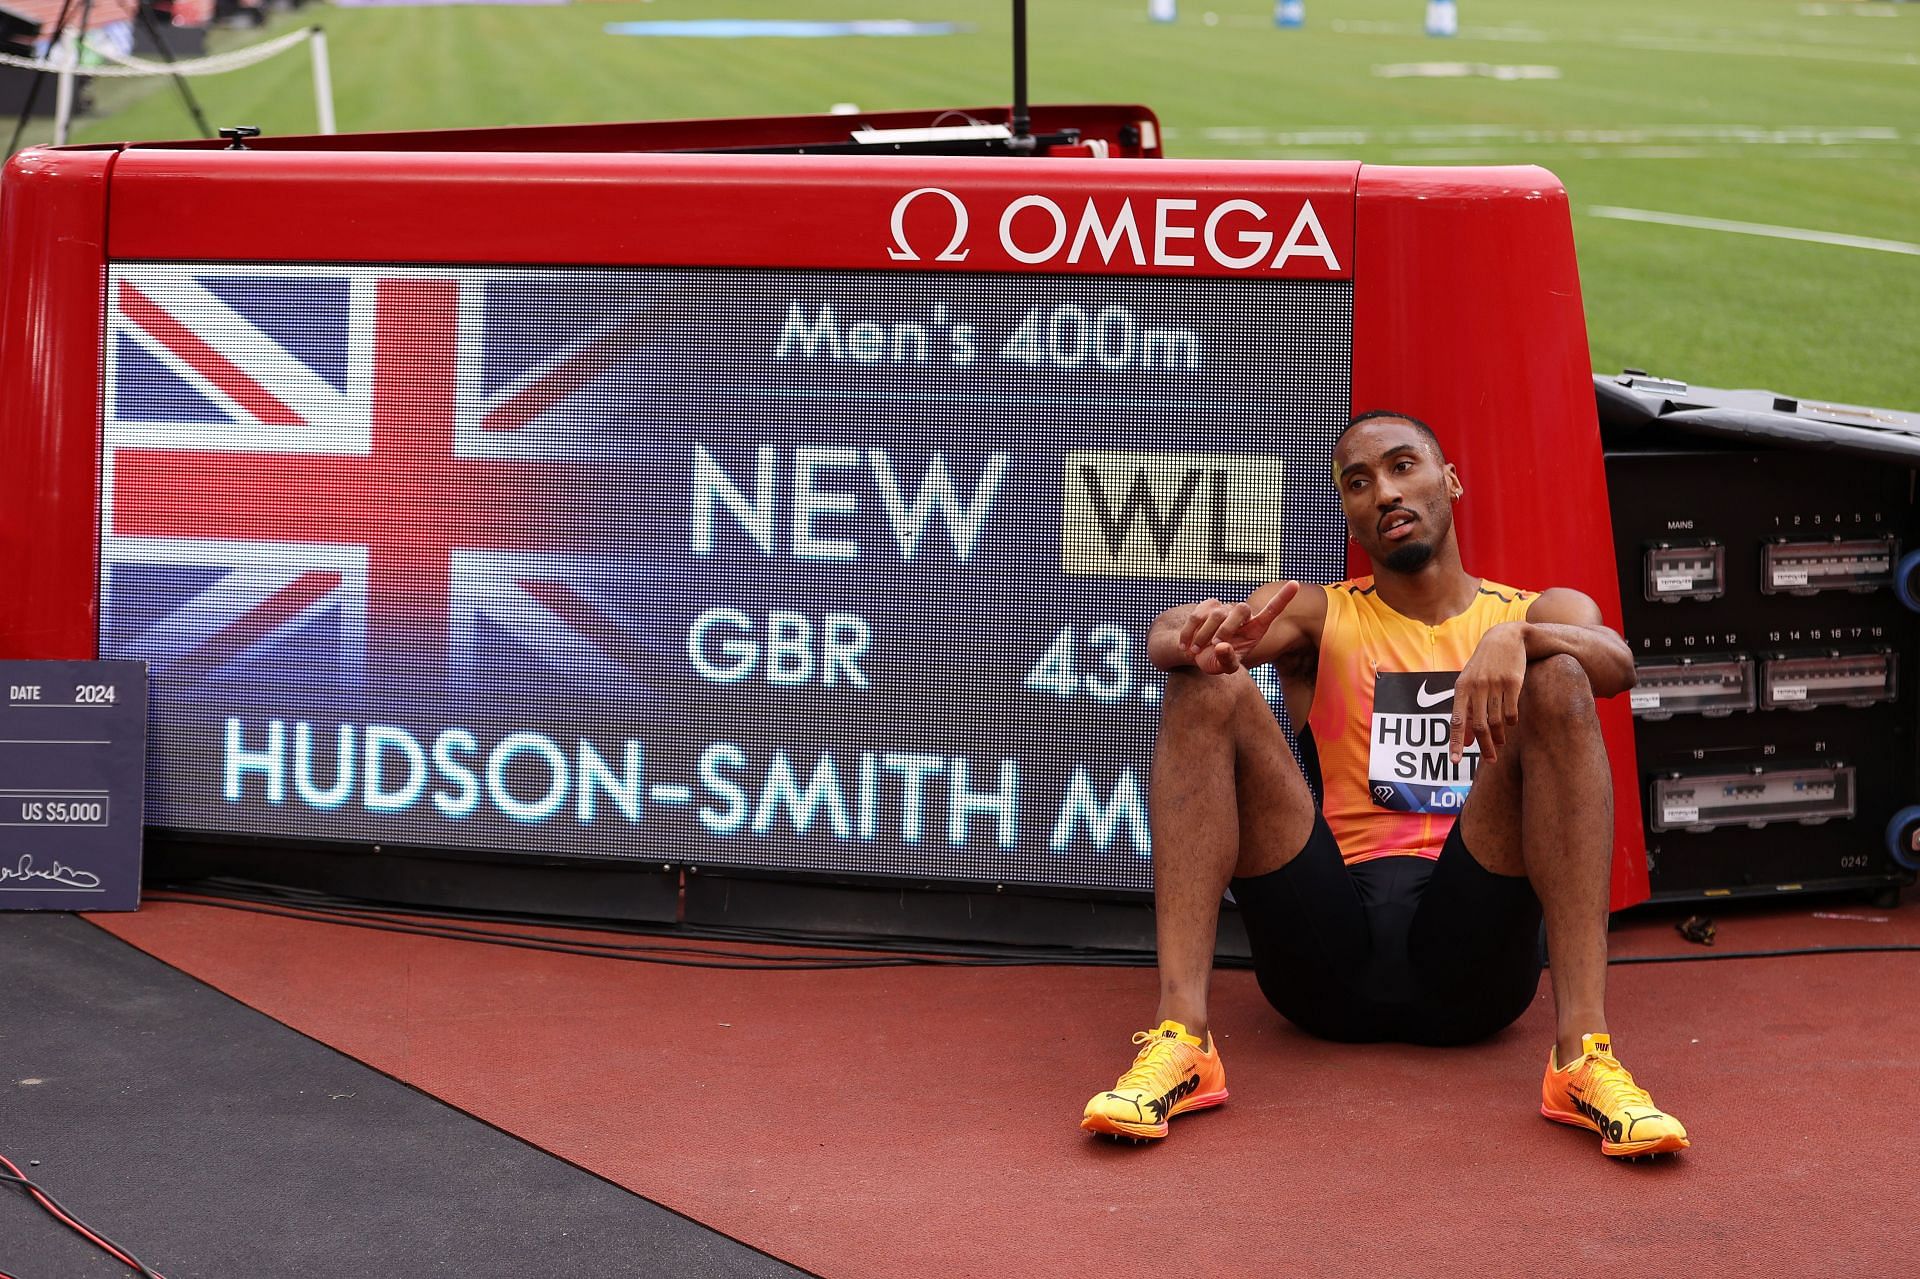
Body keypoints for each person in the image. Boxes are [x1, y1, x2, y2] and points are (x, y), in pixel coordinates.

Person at [1080, 410, 1689, 1159]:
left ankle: (1583, 1055)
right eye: (1359, 482)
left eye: (1404, 466)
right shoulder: (1318, 612)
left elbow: (1614, 663)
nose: (1384, 491)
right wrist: (1194, 634)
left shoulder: (1537, 610)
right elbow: (1171, 636)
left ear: (1451, 480)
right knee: (1205, 683)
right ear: (1348, 514)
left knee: (1561, 677)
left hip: (1473, 948)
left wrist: (1519, 641)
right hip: (1325, 943)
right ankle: (1183, 1040)